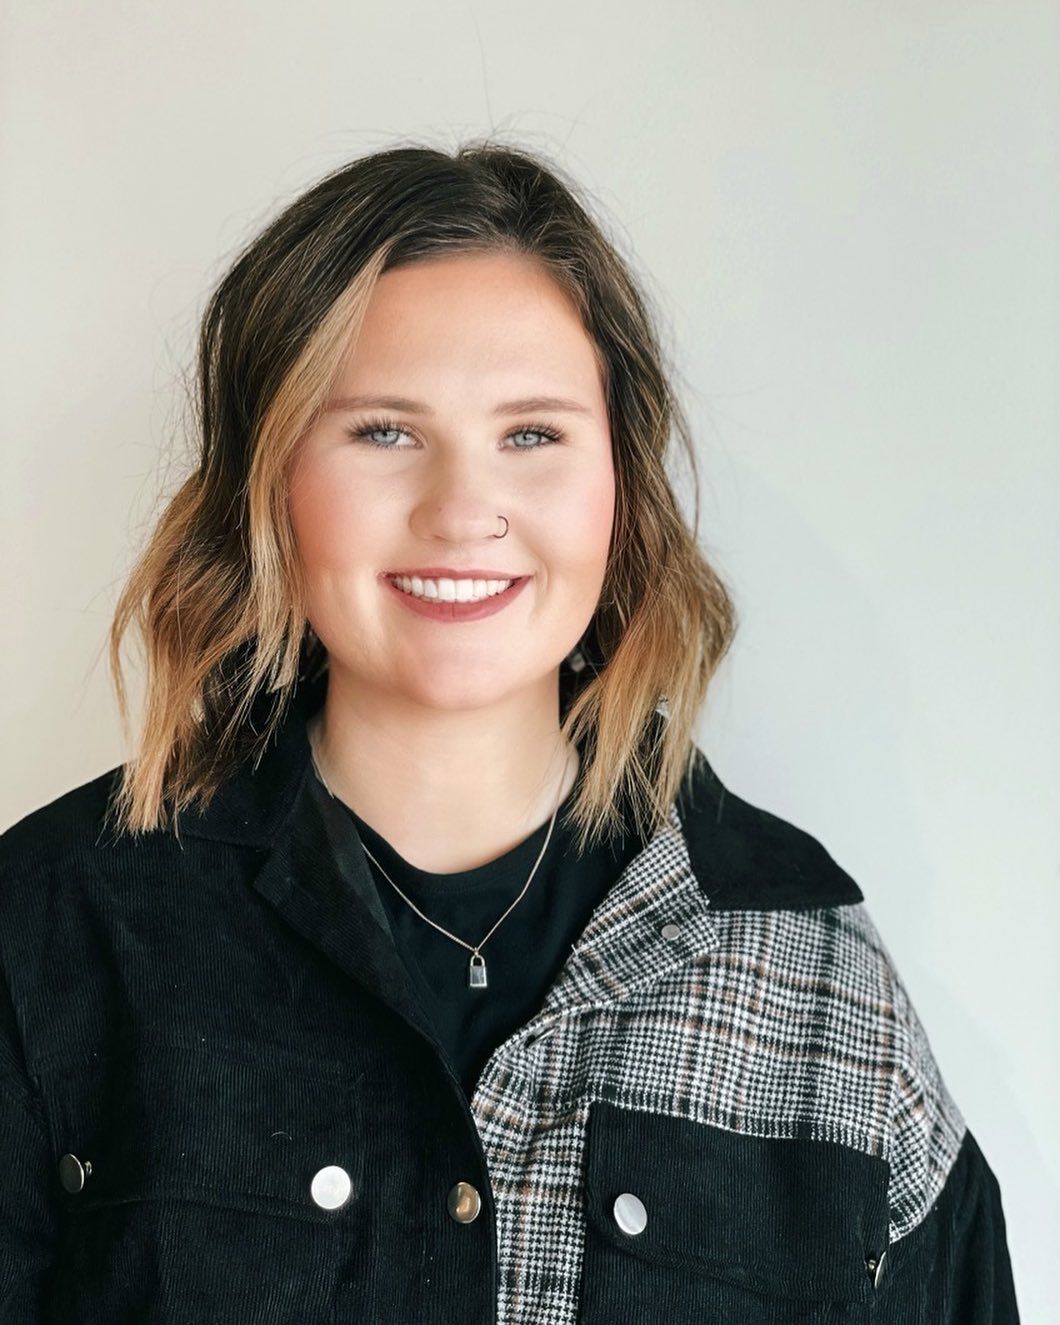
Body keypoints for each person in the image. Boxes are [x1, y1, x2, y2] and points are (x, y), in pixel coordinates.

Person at [0, 141, 1019, 1322]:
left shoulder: (812, 970)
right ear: (270, 483)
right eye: (383, 431)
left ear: (620, 487)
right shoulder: (61, 926)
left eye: (531, 434)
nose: (460, 511)